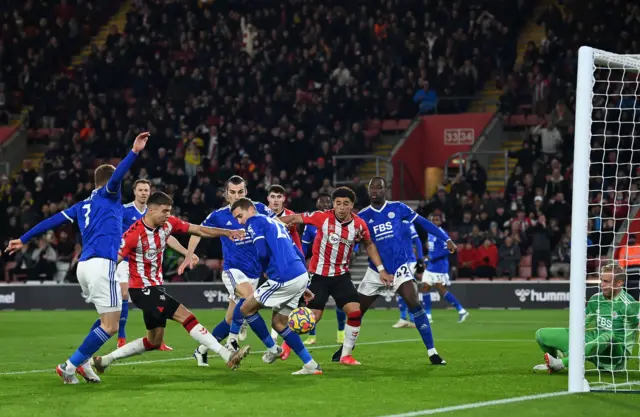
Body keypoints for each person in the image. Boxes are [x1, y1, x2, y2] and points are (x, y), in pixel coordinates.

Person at [5, 132, 150, 384]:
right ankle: (69, 366)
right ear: (107, 183)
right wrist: (134, 152)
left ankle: (82, 363)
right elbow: (117, 177)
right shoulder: (110, 194)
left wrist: (24, 238)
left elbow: (52, 220)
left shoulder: (81, 205)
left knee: (105, 319)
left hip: (84, 266)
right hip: (102, 264)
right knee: (111, 326)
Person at [91, 192, 250, 374]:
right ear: (150, 210)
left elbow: (199, 229)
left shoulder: (168, 224)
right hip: (142, 289)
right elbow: (113, 261)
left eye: (169, 211)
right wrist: (98, 280)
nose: (168, 215)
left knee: (154, 341)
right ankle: (227, 355)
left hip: (155, 287)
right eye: (164, 211)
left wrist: (227, 232)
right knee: (186, 315)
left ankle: (103, 360)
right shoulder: (133, 235)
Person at [331, 177, 450, 365]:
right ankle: (346, 348)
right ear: (369, 191)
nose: (375, 190)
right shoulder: (362, 216)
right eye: (372, 188)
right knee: (356, 312)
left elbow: (423, 223)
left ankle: (432, 352)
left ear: (385, 190)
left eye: (379, 187)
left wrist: (444, 238)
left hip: (400, 268)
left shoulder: (398, 208)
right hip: (375, 271)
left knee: (414, 303)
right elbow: (356, 240)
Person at [279, 187, 392, 365]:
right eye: (338, 203)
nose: (341, 207)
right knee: (312, 317)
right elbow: (294, 218)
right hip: (319, 276)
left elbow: (369, 244)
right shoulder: (322, 217)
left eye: (345, 204)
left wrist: (381, 270)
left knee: (355, 312)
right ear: (334, 204)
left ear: (352, 205)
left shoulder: (359, 224)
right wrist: (270, 225)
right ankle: (287, 345)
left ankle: (345, 355)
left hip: (341, 276)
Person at [179, 175, 274, 367]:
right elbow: (198, 231)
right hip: (233, 270)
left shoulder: (259, 209)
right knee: (249, 298)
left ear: (246, 192)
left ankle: (201, 350)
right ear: (226, 194)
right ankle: (233, 341)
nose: (237, 195)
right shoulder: (219, 216)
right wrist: (189, 254)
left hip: (254, 273)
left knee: (231, 318)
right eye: (233, 192)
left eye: (240, 192)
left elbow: (278, 224)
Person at [231, 197, 322, 375]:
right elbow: (297, 250)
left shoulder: (254, 221)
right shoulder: (276, 222)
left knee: (246, 308)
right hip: (299, 273)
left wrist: (264, 270)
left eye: (240, 216)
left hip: (283, 276)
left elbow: (262, 252)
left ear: (251, 209)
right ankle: (311, 365)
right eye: (237, 219)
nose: (240, 221)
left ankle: (273, 349)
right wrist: (302, 285)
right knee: (279, 323)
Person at [112, 178, 187, 350]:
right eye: (140, 190)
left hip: (149, 261)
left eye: (146, 190)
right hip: (127, 259)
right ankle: (122, 337)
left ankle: (158, 340)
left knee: (154, 298)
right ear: (134, 192)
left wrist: (185, 252)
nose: (144, 193)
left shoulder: (155, 212)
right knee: (124, 293)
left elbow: (167, 236)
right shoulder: (124, 211)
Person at [533, 264, 639, 373]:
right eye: (601, 280)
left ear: (619, 283)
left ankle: (561, 364)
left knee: (609, 336)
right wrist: (571, 341)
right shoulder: (596, 299)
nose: (602, 285)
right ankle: (554, 363)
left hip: (615, 355)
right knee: (541, 335)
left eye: (606, 281)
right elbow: (581, 325)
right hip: (593, 345)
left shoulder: (630, 304)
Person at [300, 193, 347, 345]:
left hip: (338, 270)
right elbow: (304, 247)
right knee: (312, 303)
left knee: (341, 303)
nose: (325, 205)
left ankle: (341, 332)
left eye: (328, 203)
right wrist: (301, 263)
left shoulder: (343, 221)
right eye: (322, 203)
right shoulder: (311, 224)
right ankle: (311, 335)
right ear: (318, 206)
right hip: (318, 270)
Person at [421, 213, 469, 323]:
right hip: (431, 266)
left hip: (439, 266)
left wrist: (431, 257)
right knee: (424, 288)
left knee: (441, 291)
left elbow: (448, 250)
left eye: (437, 220)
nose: (435, 222)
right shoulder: (430, 232)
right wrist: (427, 257)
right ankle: (428, 315)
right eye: (433, 220)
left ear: (440, 221)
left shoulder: (442, 233)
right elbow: (432, 249)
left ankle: (461, 310)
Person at [393, 222, 424, 328]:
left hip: (409, 261)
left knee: (407, 289)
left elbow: (417, 241)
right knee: (399, 289)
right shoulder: (390, 223)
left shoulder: (407, 223)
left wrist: (420, 259)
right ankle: (408, 319)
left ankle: (409, 318)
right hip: (397, 261)